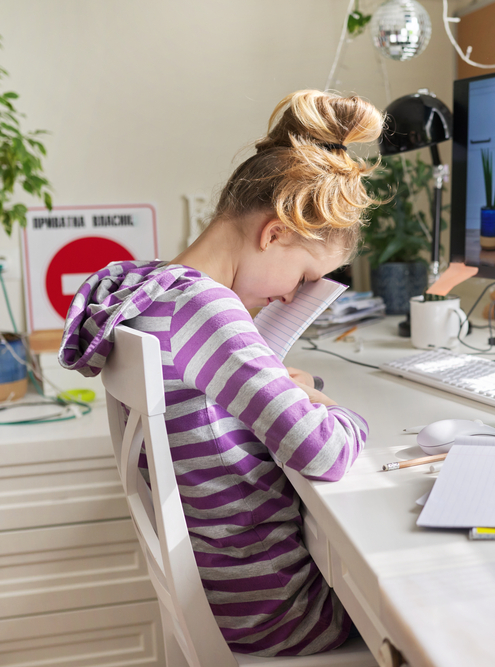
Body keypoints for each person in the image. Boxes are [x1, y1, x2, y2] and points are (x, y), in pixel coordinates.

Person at [59, 90, 382, 656]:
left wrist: (289, 387)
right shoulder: (205, 310)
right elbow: (324, 452)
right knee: (421, 604)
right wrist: (338, 411)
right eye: (305, 278)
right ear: (275, 233)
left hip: (224, 597)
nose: (293, 296)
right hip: (279, 611)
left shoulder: (148, 290)